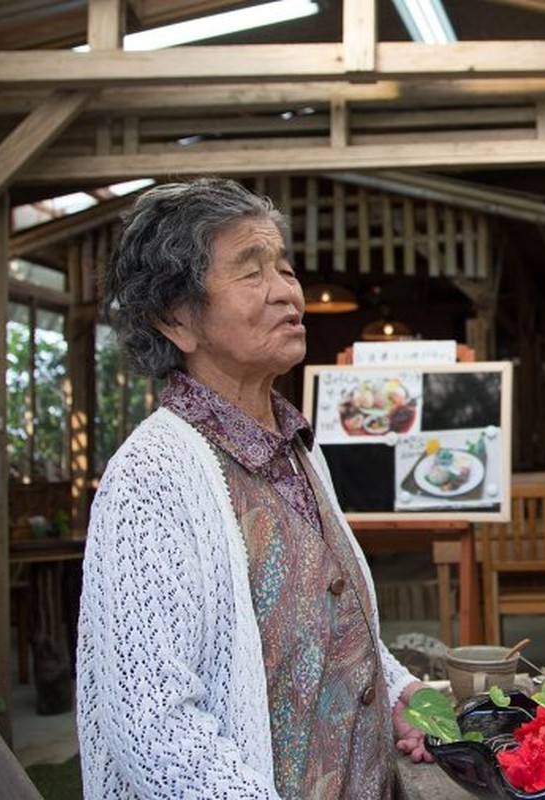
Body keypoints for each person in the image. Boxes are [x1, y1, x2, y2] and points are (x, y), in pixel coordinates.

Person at [76, 178, 431, 799]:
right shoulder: (151, 479)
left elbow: (333, 624)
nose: (287, 292)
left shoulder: (294, 446)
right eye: (251, 272)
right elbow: (154, 731)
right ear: (176, 318)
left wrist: (400, 690)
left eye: (285, 267)